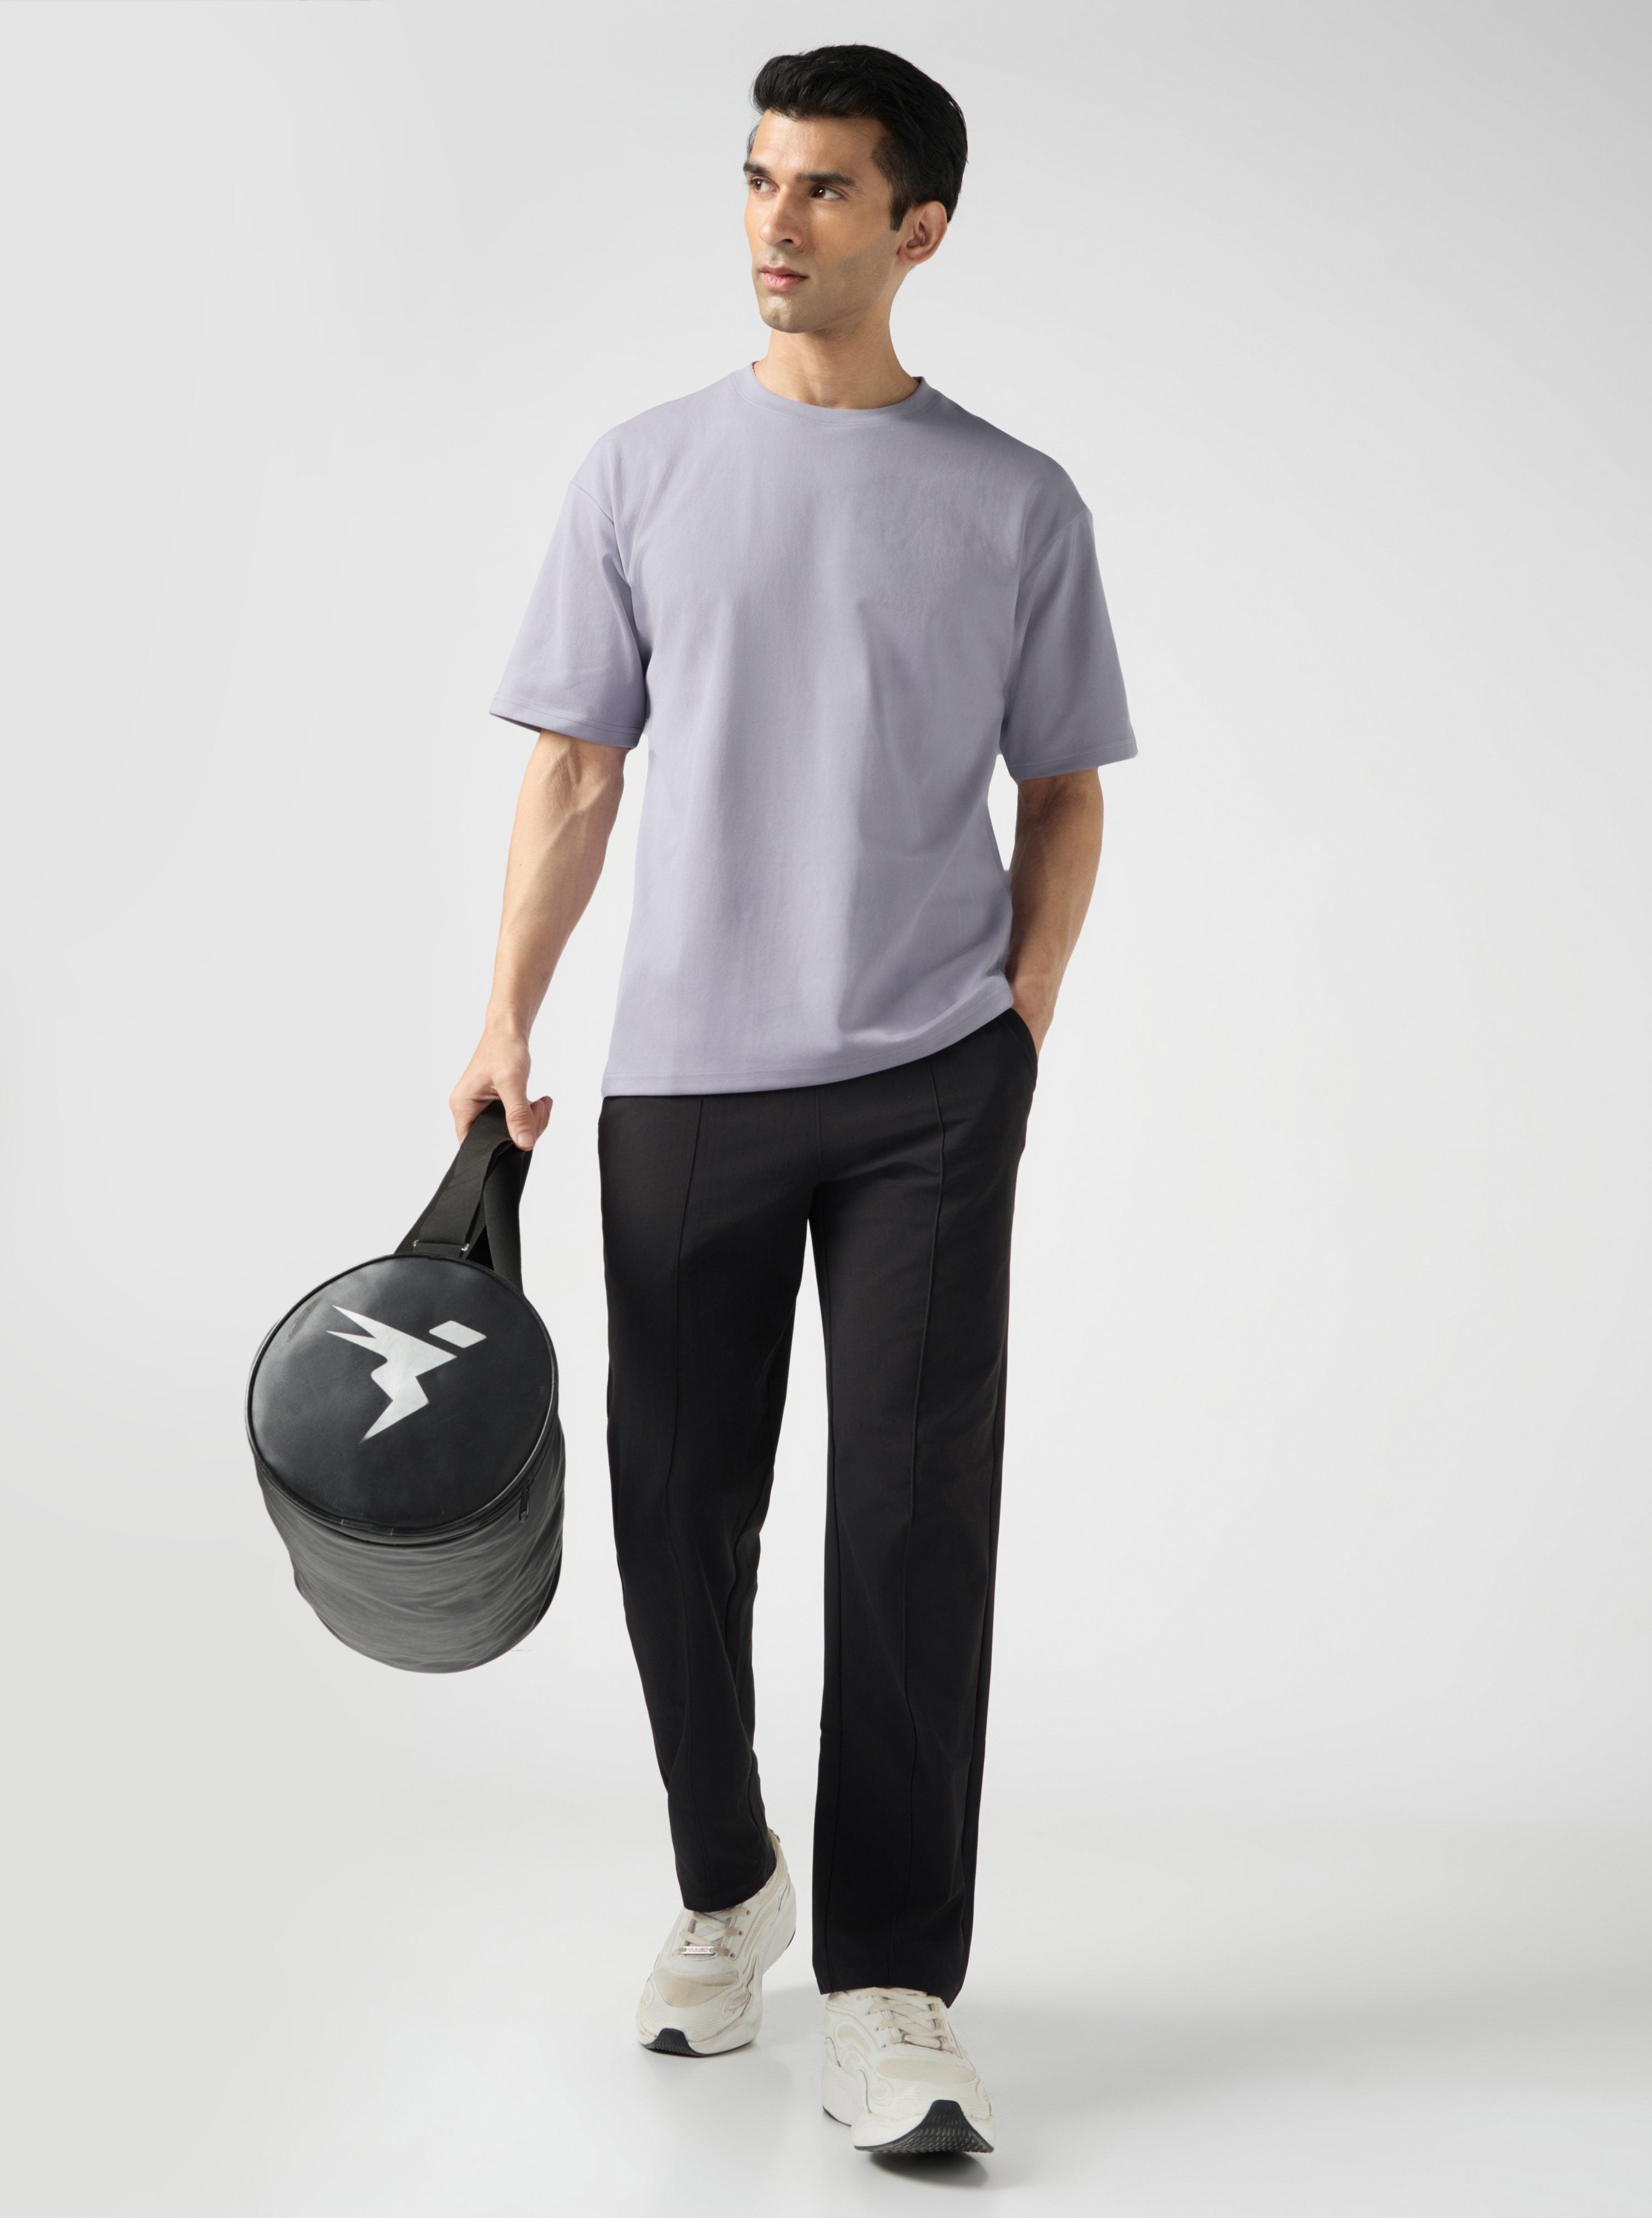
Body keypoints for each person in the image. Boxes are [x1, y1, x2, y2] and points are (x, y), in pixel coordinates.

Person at [452, 42, 1135, 2161]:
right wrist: (504, 1019)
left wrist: (1015, 1022)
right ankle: (727, 1874)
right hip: (686, 1081)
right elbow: (577, 769)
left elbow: (1064, 788)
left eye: (826, 189)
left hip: (931, 1084)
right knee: (674, 1512)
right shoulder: (643, 470)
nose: (776, 220)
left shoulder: (1015, 501)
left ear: (919, 229)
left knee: (915, 1526)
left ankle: (894, 1987)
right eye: (759, 178)